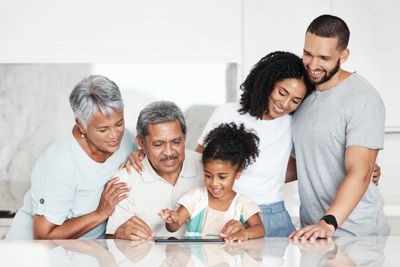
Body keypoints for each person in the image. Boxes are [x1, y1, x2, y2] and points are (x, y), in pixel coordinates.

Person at [289, 14, 390, 240]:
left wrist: (329, 222)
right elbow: (303, 162)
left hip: (357, 234)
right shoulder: (302, 94)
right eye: (307, 54)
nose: (313, 65)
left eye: (324, 57)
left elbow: (360, 173)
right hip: (313, 233)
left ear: (343, 55)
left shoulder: (363, 98)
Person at [7, 75, 136, 239]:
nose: (114, 136)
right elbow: (43, 235)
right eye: (103, 130)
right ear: (80, 124)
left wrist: (139, 157)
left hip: (84, 252)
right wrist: (101, 213)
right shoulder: (60, 162)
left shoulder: (127, 141)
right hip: (31, 255)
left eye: (119, 124)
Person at [105, 101, 204, 240]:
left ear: (184, 137)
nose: (169, 152)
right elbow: (111, 240)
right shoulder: (124, 181)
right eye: (158, 144)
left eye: (176, 142)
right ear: (141, 143)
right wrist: (118, 235)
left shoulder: (208, 169)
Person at [159, 123, 265, 241]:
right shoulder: (196, 197)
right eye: (208, 175)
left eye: (222, 177)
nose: (214, 183)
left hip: (228, 258)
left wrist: (245, 234)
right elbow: (173, 227)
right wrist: (172, 220)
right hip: (194, 259)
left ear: (238, 172)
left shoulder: (242, 203)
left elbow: (260, 229)